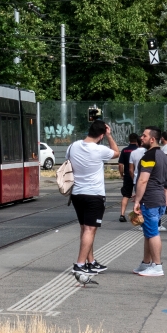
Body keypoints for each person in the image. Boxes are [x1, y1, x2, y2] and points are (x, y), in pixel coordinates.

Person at [66, 119, 119, 277]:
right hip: (94, 195)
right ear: (101, 135)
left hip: (77, 194)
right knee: (90, 229)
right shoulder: (100, 150)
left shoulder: (73, 146)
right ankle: (80, 264)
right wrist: (110, 136)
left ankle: (91, 262)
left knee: (85, 229)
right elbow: (116, 153)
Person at [131, 126, 167, 276]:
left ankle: (157, 266)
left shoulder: (149, 156)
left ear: (152, 139)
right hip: (159, 198)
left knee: (153, 232)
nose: (141, 138)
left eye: (144, 136)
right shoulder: (162, 155)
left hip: (150, 200)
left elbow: (143, 180)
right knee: (148, 232)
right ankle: (146, 263)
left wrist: (138, 200)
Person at [117, 133, 140, 223]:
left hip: (127, 175)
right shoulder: (139, 150)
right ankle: (138, 215)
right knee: (139, 196)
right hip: (138, 176)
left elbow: (120, 164)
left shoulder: (125, 150)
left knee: (126, 195)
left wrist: (121, 174)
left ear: (129, 139)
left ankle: (122, 215)